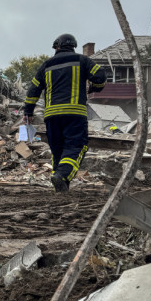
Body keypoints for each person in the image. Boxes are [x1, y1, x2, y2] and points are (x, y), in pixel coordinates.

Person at [23, 33, 107, 192]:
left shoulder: (46, 65)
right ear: (73, 46)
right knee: (76, 146)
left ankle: (61, 184)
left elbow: (33, 90)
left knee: (58, 150)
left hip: (52, 116)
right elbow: (100, 75)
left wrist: (28, 112)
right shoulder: (83, 60)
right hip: (75, 113)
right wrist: (95, 88)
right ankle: (62, 175)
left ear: (56, 47)